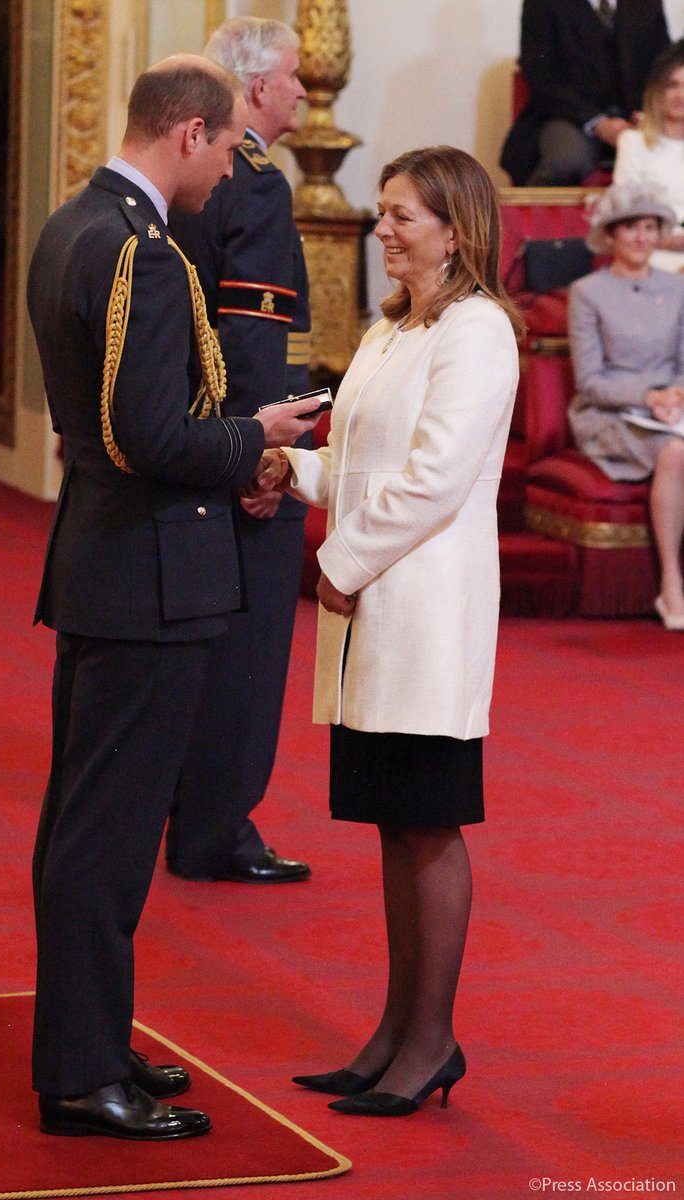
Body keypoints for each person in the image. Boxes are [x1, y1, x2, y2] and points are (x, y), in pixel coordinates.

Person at [27, 55, 321, 1140]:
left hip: (107, 562)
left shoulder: (76, 223)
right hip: (147, 573)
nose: (230, 170)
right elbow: (145, 436)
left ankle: (93, 1045)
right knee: (102, 842)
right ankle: (79, 1077)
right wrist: (256, 435)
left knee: (86, 829)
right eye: (228, 144)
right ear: (189, 133)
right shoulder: (139, 252)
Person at [253, 147, 523, 1116]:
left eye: (401, 215)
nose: (383, 230)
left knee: (427, 820)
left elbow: (436, 480)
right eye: (382, 212)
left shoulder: (478, 332)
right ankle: (393, 1032)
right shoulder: (389, 329)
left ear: (455, 229)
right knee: (392, 822)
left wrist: (338, 562)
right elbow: (361, 466)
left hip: (427, 610)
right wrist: (293, 470)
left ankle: (432, 1039)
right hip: (377, 604)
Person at [166, 17, 313, 884]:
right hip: (245, 444)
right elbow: (254, 340)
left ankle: (191, 815)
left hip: (192, 434)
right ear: (258, 88)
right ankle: (217, 829)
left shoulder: (184, 178)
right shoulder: (255, 185)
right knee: (247, 653)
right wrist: (264, 454)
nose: (302, 90)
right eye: (293, 76)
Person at [569, 182, 684, 629]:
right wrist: (648, 398)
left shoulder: (677, 288)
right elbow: (590, 382)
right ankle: (671, 584)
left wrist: (675, 397)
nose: (641, 237)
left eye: (650, 227)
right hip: (611, 415)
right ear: (610, 234)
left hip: (672, 410)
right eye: (631, 227)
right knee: (675, 452)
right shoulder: (588, 292)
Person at [501, 0, 670, 187]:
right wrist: (598, 122)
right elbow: (542, 79)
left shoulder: (647, 3)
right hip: (568, 117)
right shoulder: (542, 4)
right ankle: (526, 205)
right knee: (566, 162)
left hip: (637, 120)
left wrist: (646, 115)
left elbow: (664, 70)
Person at [614, 41, 684, 273]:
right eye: (672, 85)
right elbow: (625, 211)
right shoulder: (633, 142)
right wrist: (665, 240)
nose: (680, 95)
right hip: (653, 253)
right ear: (657, 91)